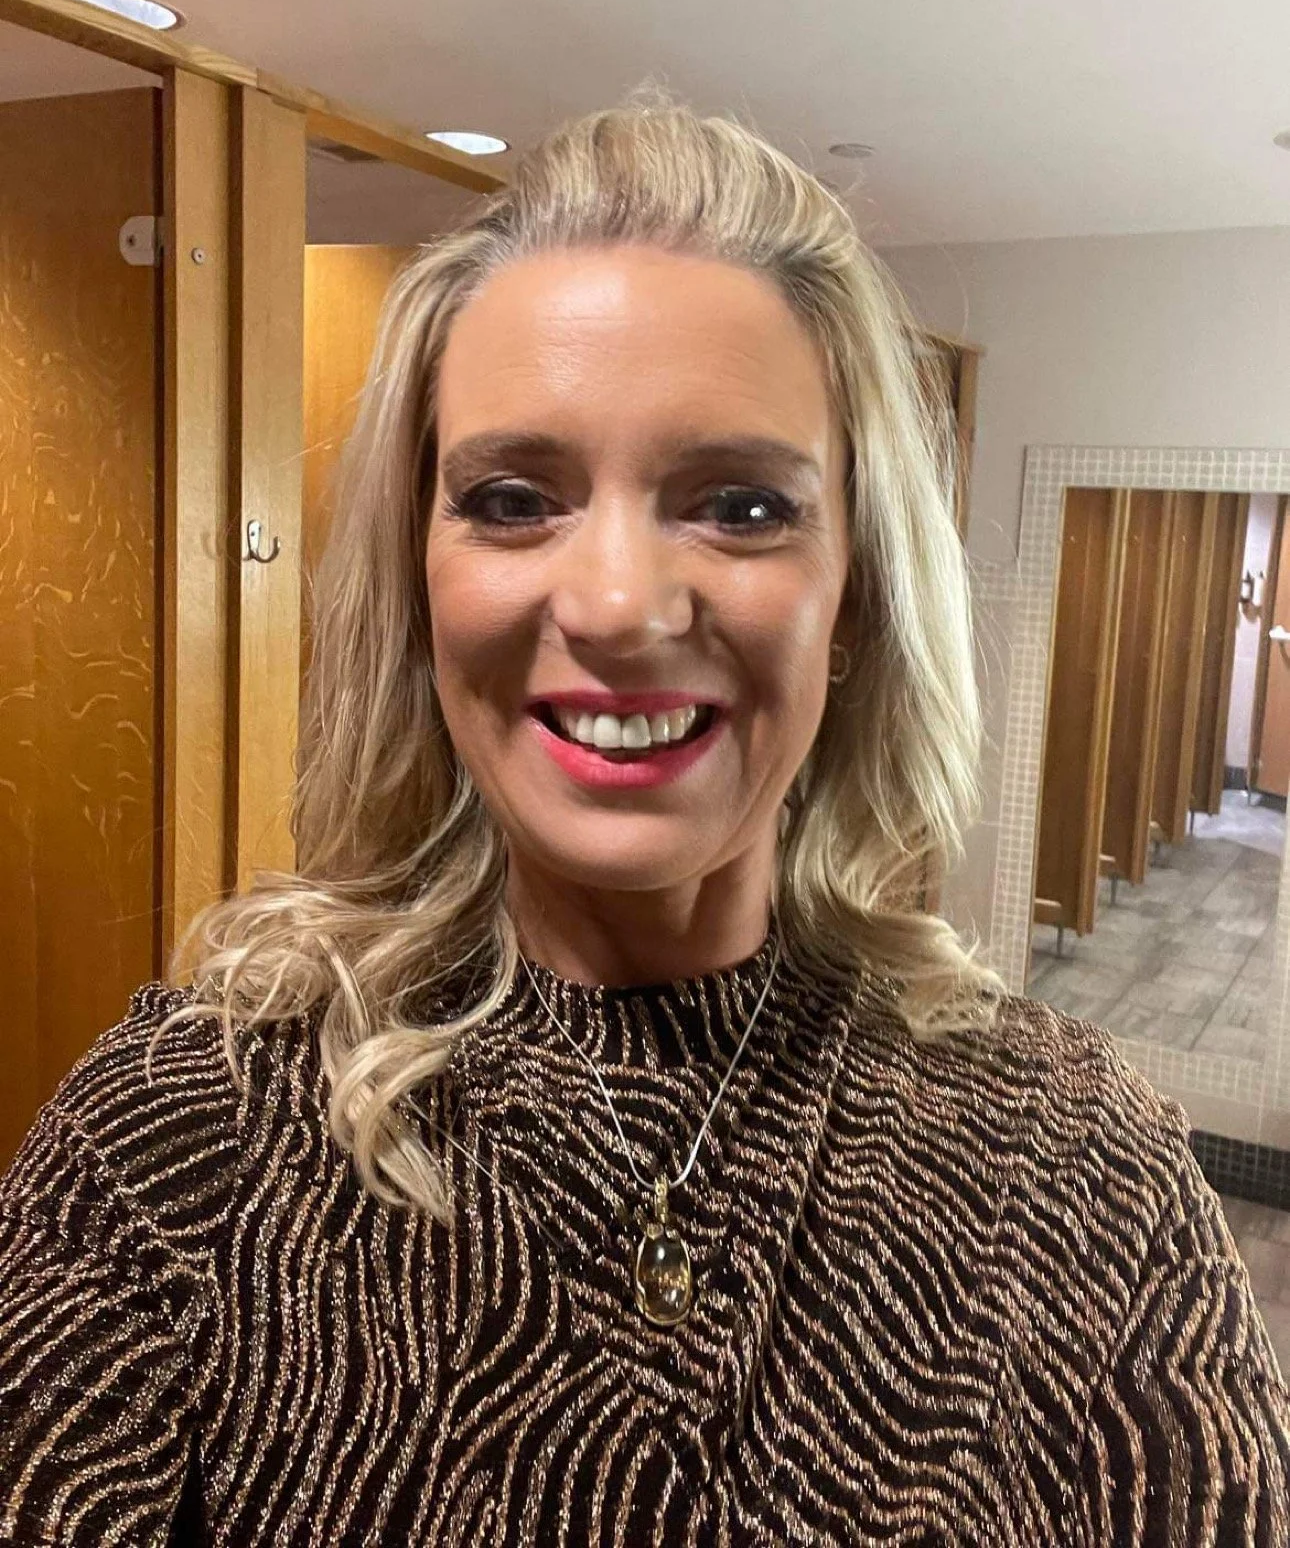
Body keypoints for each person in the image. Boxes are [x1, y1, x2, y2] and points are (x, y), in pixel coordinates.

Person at [1, 95, 1286, 1547]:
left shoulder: (1074, 1172)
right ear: (417, 587)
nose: (615, 605)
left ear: (856, 598)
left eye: (739, 506)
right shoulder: (187, 1135)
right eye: (511, 498)